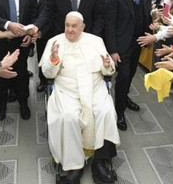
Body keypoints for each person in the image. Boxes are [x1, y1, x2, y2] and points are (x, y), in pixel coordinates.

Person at [40, 12, 120, 184]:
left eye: (74, 26)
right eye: (67, 25)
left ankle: (100, 161)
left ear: (82, 27)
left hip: (94, 87)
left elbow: (108, 69)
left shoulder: (96, 41)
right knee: (68, 117)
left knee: (104, 111)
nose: (69, 30)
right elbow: (47, 74)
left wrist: (107, 66)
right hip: (67, 90)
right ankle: (74, 166)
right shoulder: (54, 42)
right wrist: (53, 60)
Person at [105, 0, 152, 131]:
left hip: (139, 41)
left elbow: (146, 13)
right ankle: (119, 112)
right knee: (123, 77)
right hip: (122, 43)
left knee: (131, 73)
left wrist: (149, 32)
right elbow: (109, 24)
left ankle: (124, 97)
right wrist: (113, 50)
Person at [33, 0, 57, 92]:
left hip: (48, 33)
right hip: (35, 29)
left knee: (48, 57)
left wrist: (41, 31)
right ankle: (42, 79)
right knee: (40, 57)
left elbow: (52, 15)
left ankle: (49, 81)